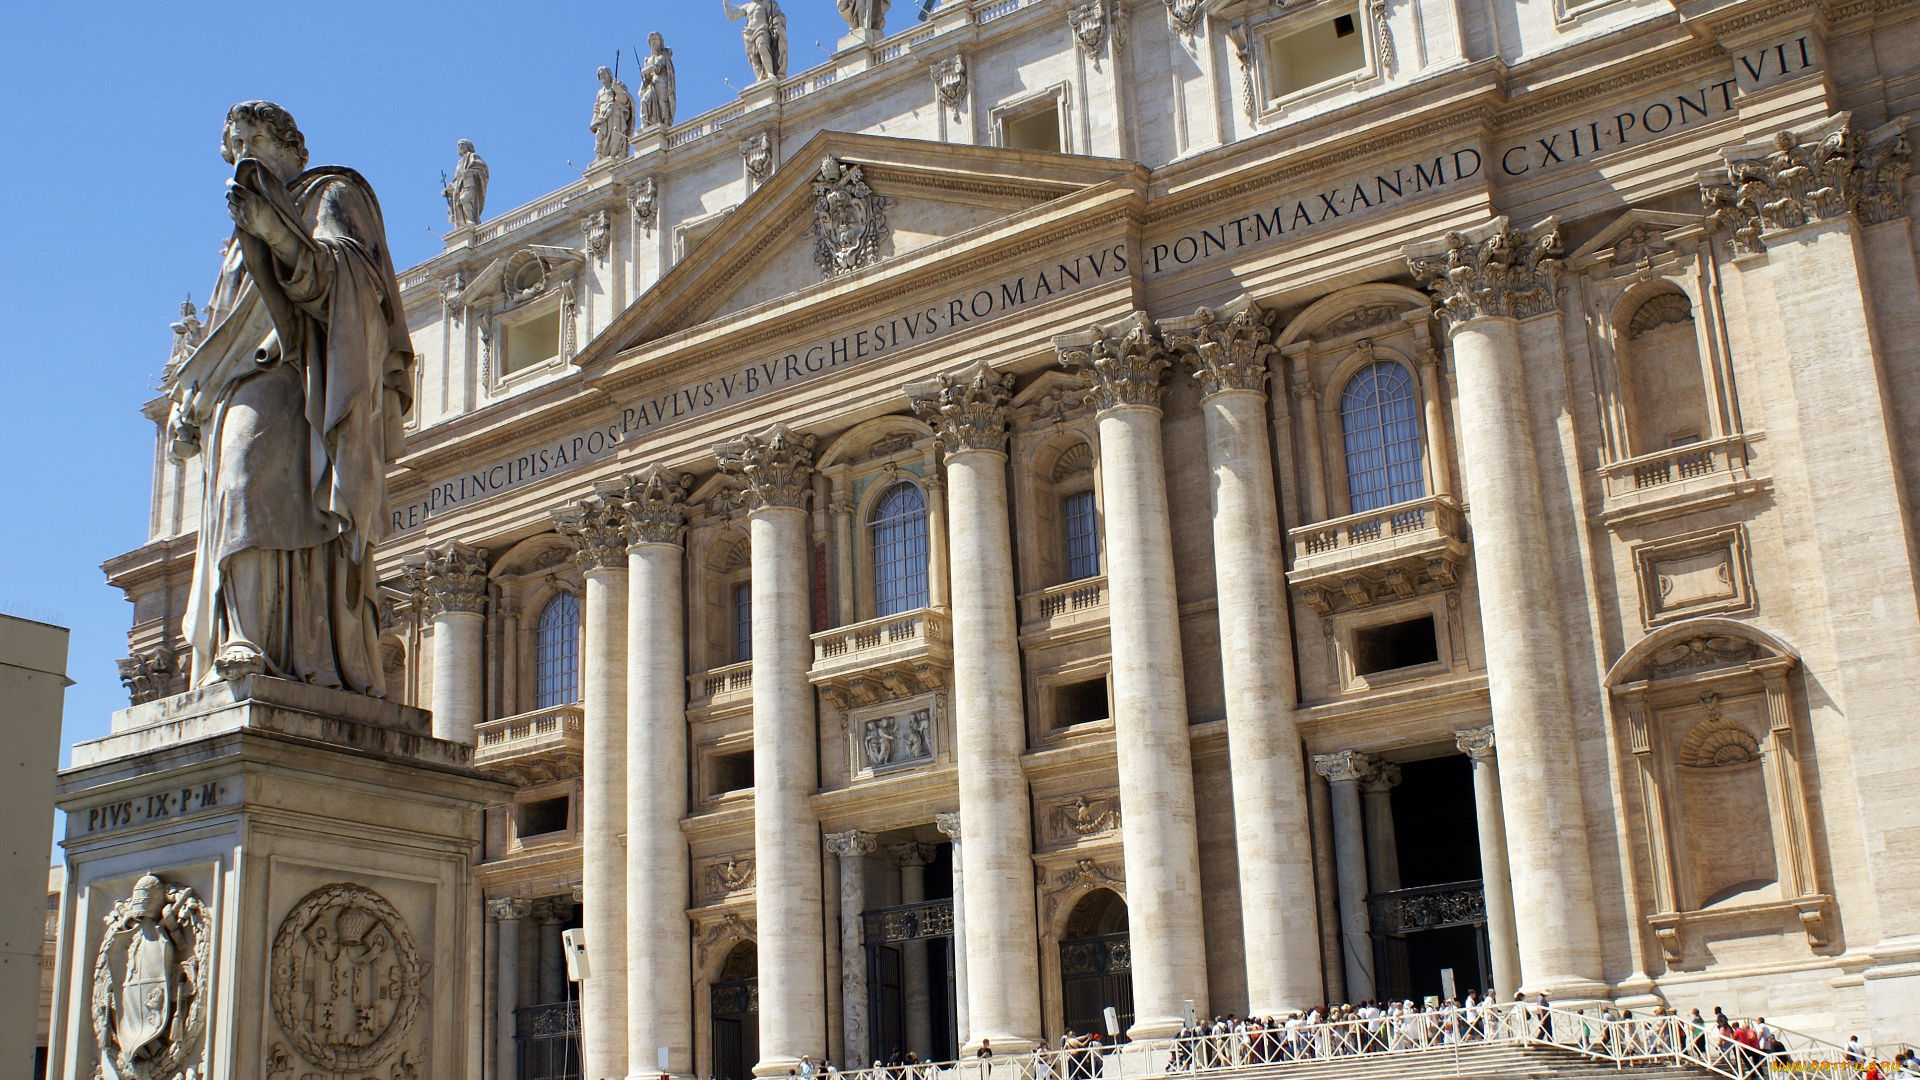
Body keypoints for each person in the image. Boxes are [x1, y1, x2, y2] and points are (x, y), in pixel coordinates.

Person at [167, 101, 412, 694]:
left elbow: (352, 281)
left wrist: (277, 230)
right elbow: (223, 334)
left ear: (290, 145)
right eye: (235, 146)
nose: (244, 154)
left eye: (254, 139)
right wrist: (188, 402)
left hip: (306, 375)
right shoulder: (233, 241)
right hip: (235, 385)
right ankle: (244, 635)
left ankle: (280, 641)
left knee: (248, 481)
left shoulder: (330, 193)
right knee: (234, 493)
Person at [723, 0, 788, 82]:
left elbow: (777, 16)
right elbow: (732, 16)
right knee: (753, 56)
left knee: (762, 47)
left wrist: (777, 24)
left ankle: (769, 72)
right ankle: (760, 77)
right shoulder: (747, 6)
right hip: (748, 33)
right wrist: (725, 3)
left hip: (762, 29)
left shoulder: (768, 3)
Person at [591, 66, 635, 161]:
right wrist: (593, 122)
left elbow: (625, 101)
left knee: (615, 136)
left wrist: (617, 90)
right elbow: (597, 109)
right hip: (602, 117)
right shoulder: (600, 93)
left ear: (609, 74)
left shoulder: (618, 85)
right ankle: (600, 156)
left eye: (604, 74)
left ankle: (615, 155)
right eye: (601, 74)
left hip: (616, 114)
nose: (603, 76)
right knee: (599, 135)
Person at [443, 139, 488, 228]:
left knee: (465, 199)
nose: (459, 147)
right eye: (458, 145)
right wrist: (449, 190)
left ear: (468, 146)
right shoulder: (459, 163)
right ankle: (463, 224)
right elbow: (456, 179)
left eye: (462, 144)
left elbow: (482, 170)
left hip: (470, 183)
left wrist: (469, 172)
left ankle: (470, 220)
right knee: (459, 203)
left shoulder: (473, 156)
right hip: (460, 186)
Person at [638, 31, 677, 129]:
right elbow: (646, 78)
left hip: (661, 81)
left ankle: (665, 122)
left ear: (660, 41)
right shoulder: (648, 59)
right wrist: (642, 88)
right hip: (651, 84)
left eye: (655, 39)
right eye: (651, 40)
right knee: (645, 100)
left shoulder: (664, 55)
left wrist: (645, 70)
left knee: (661, 101)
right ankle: (646, 123)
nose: (653, 42)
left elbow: (656, 67)